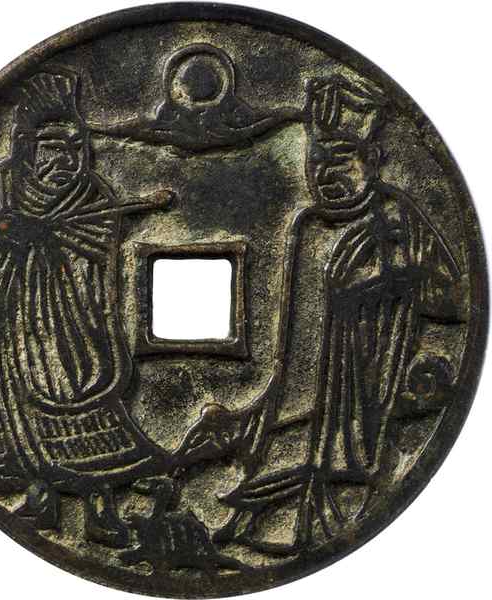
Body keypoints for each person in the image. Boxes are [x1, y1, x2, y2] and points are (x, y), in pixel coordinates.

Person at [179, 75, 463, 553]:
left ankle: (313, 520)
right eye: (316, 161)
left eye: (341, 160)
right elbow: (293, 340)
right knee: (285, 437)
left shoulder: (396, 219)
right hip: (303, 383)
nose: (326, 173)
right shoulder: (308, 224)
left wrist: (398, 274)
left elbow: (453, 302)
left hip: (367, 380)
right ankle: (263, 517)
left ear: (373, 161)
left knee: (341, 462)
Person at [0, 68, 168, 546]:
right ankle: (42, 502)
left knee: (88, 415)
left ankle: (102, 512)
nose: (66, 160)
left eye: (76, 147)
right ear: (24, 147)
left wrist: (45, 236)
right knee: (21, 423)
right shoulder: (0, 186)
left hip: (71, 330)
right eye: (53, 147)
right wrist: (0, 233)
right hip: (7, 329)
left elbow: (95, 246)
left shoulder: (92, 195)